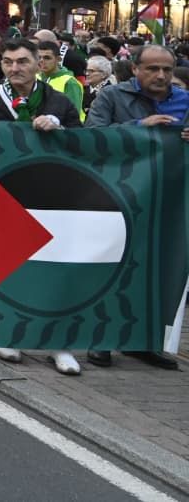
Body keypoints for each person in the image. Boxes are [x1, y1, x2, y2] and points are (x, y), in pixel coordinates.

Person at [0, 38, 83, 375]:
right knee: (7, 268)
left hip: (49, 195)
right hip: (2, 195)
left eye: (22, 61)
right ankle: (7, 332)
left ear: (38, 63)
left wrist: (58, 128)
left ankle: (57, 343)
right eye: (8, 63)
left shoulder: (57, 101)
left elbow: (83, 142)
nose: (15, 69)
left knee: (52, 270)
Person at [82, 44, 189, 370]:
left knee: (154, 270)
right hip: (119, 197)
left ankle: (143, 341)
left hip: (166, 201)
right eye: (153, 69)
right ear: (135, 70)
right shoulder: (112, 97)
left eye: (167, 70)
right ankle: (101, 339)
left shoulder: (185, 100)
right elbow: (92, 137)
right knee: (112, 267)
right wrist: (140, 128)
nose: (161, 76)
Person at [35, 40, 85, 122]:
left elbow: (74, 114)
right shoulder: (35, 77)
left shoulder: (70, 82)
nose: (41, 61)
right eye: (38, 57)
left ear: (58, 59)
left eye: (47, 58)